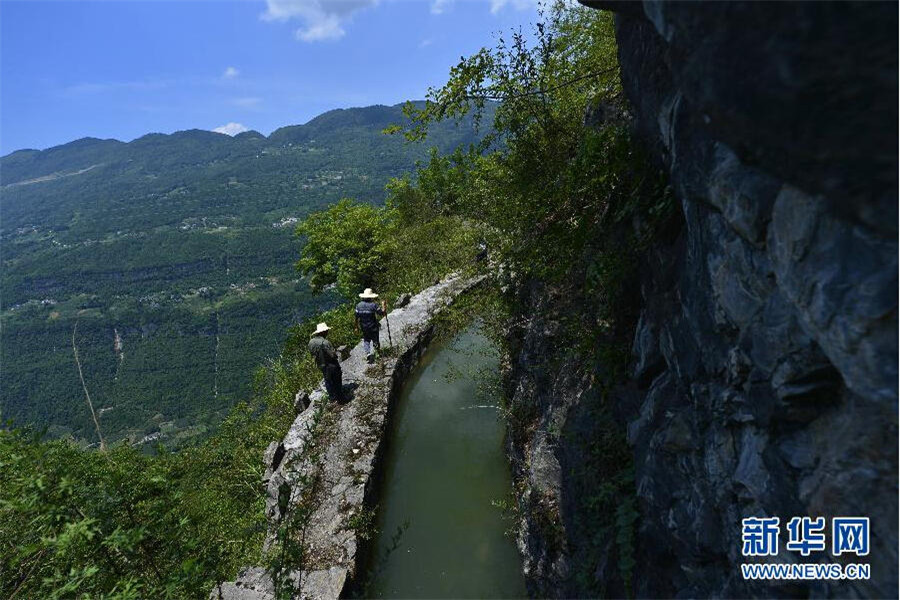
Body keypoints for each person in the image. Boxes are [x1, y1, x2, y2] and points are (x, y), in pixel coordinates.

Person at [308, 322, 344, 402]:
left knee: (327, 380)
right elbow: (332, 355)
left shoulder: (311, 342)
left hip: (321, 364)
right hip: (331, 364)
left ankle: (332, 398)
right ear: (323, 332)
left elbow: (312, 353)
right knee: (337, 379)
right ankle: (341, 398)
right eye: (326, 331)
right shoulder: (325, 342)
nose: (327, 332)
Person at [355, 288, 386, 363]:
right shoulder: (373, 305)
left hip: (364, 326)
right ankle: (378, 353)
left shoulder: (358, 305)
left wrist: (356, 327)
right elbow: (382, 313)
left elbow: (356, 317)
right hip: (373, 326)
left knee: (366, 340)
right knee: (375, 340)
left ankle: (368, 354)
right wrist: (383, 305)